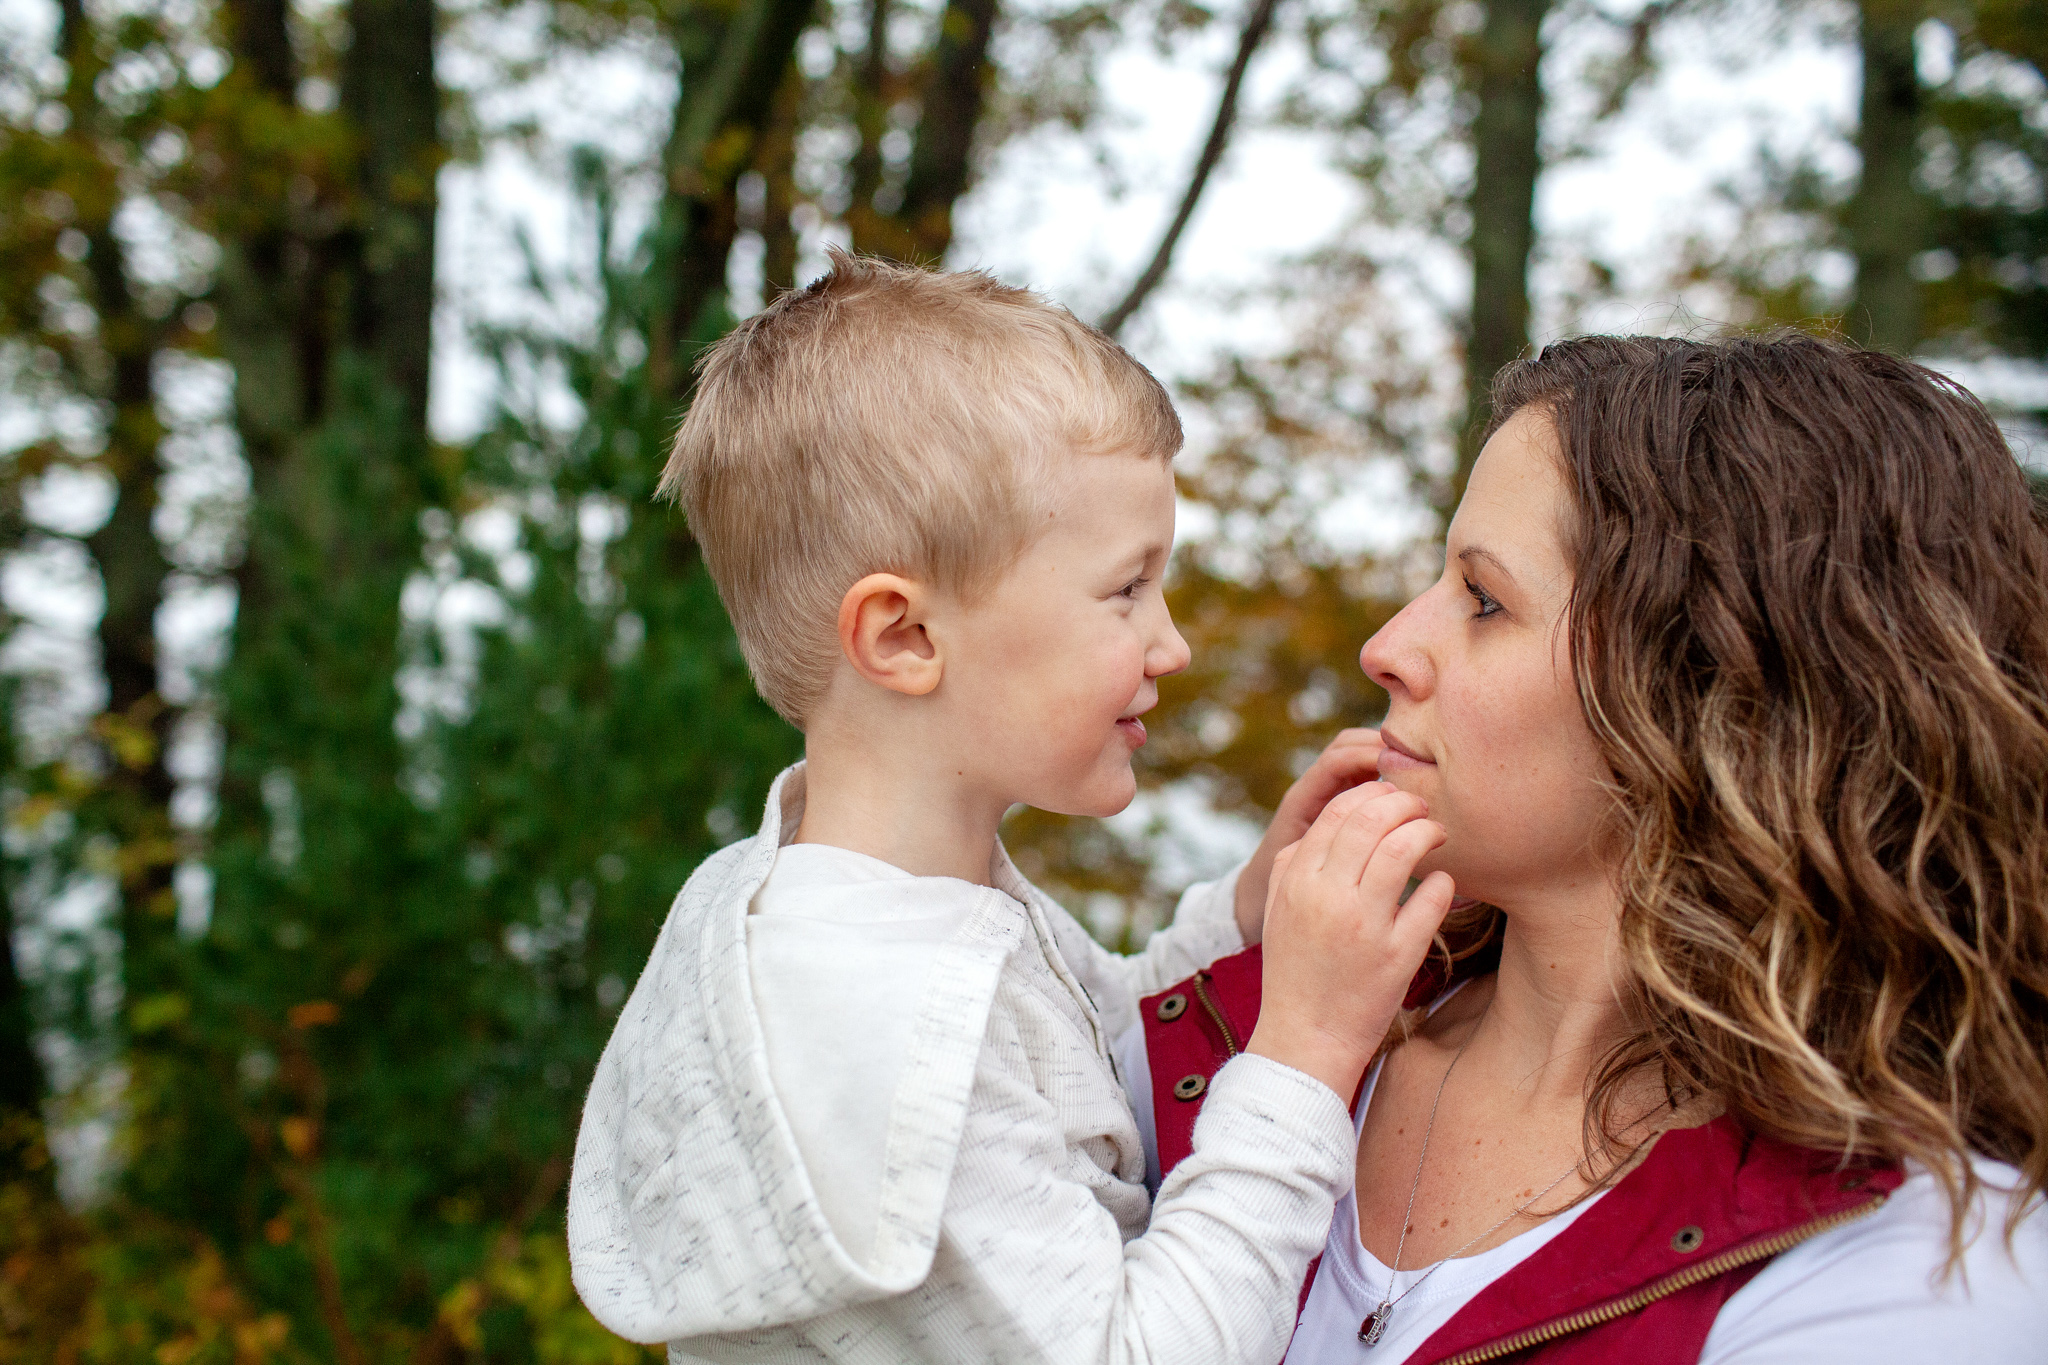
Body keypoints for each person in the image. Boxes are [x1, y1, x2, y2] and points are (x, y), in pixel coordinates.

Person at [566, 252, 1455, 1364]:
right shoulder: (874, 1016)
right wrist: (1307, 1052)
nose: (1169, 643)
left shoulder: (911, 904)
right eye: (1125, 589)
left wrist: (1244, 914)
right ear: (904, 638)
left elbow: (1082, 1071)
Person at [1132, 333, 2048, 1362]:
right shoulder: (1223, 1036)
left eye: (1482, 601)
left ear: (1715, 698)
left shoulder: (1907, 1273)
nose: (1384, 648)